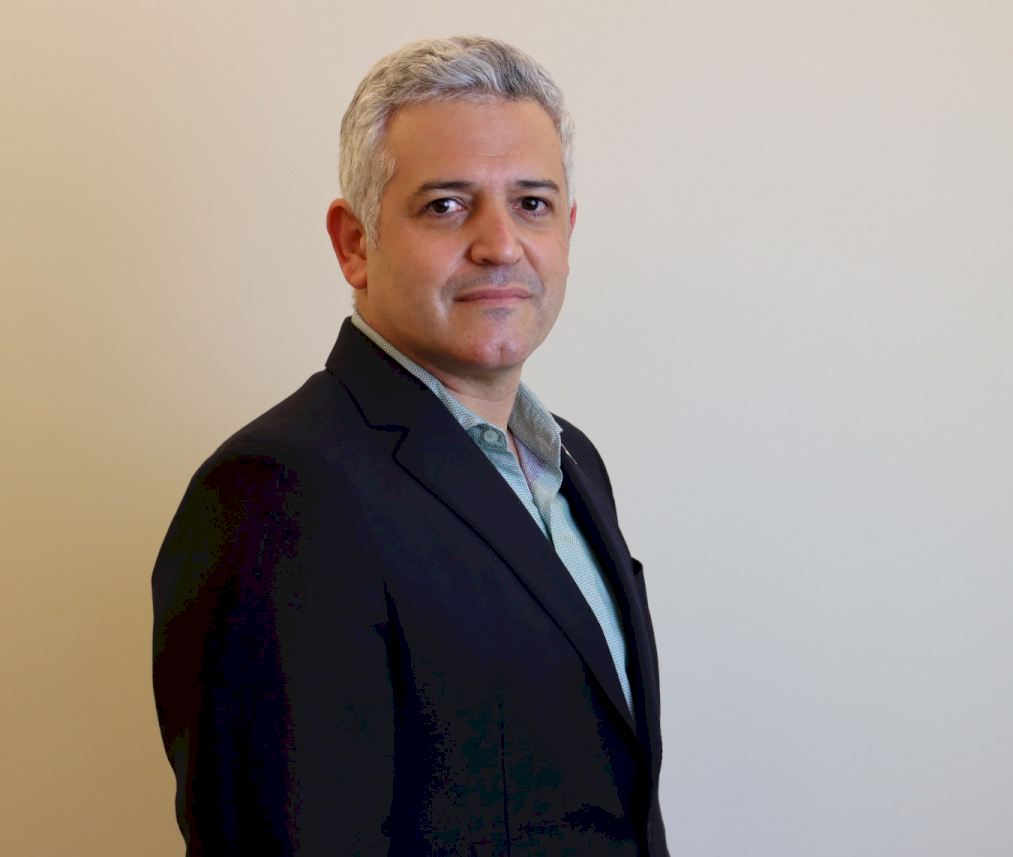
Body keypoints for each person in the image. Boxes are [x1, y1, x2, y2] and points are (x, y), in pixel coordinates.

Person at [151, 36, 668, 856]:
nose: (501, 244)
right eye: (447, 206)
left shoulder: (573, 462)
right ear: (355, 243)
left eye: (532, 203)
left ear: (568, 230)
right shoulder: (278, 493)